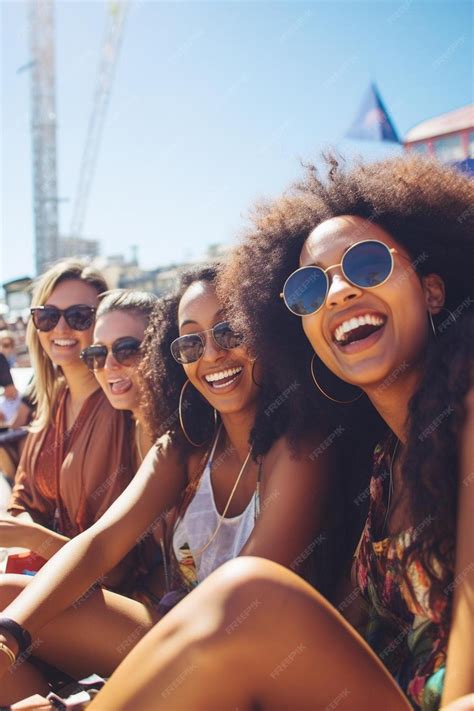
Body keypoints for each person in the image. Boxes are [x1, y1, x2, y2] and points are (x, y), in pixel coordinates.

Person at [89, 155, 474, 711]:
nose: (337, 292)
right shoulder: (383, 459)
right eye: (308, 291)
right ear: (301, 335)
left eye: (366, 265)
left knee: (249, 593)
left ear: (433, 291)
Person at [0, 263, 339, 703]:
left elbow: (244, 603)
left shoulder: (301, 446)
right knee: (8, 598)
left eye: (230, 331)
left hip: (259, 662)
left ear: (265, 331)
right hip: (179, 630)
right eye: (192, 340)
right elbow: (100, 544)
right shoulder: (185, 445)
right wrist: (8, 636)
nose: (212, 354)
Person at [0, 260, 137, 576]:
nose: (60, 329)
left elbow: (116, 564)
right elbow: (21, 501)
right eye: (47, 316)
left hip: (106, 595)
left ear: (101, 323)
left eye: (78, 316)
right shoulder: (52, 401)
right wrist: (28, 538)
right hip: (46, 579)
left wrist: (30, 537)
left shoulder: (123, 410)